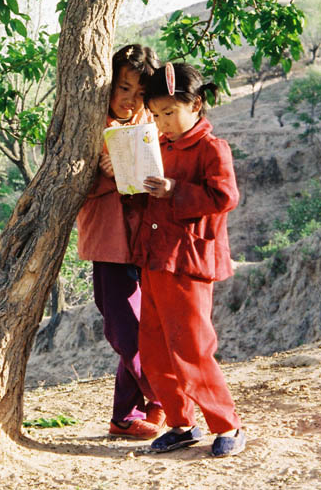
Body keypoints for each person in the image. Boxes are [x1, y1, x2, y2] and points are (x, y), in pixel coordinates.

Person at [133, 61, 246, 457]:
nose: (162, 121)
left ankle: (226, 423)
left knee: (193, 347)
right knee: (154, 346)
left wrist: (175, 189)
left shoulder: (212, 148)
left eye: (170, 112)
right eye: (157, 113)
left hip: (189, 260)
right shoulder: (156, 147)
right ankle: (182, 425)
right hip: (154, 259)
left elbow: (224, 197)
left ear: (196, 105)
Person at [76, 44, 164, 439]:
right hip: (109, 239)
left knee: (144, 325)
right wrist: (103, 171)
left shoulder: (150, 121)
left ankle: (126, 415)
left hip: (147, 238)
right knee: (123, 328)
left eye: (139, 93)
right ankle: (164, 395)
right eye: (123, 88)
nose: (129, 100)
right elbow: (71, 184)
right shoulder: (87, 122)